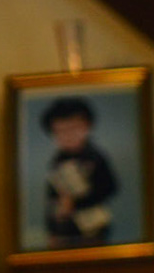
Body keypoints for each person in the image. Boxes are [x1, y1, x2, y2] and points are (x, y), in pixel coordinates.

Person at [40, 96, 118, 247]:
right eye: (61, 131)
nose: (68, 136)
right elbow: (52, 196)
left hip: (93, 226)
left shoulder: (95, 158)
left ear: (87, 127)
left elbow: (109, 187)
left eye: (74, 129)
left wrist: (76, 203)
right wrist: (52, 227)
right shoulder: (56, 162)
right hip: (64, 228)